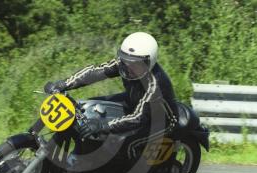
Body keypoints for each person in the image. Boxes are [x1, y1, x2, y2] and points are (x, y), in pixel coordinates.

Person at [44, 32, 178, 139]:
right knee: (88, 108)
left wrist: (102, 125)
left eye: (136, 64)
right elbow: (95, 72)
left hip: (159, 121)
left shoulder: (155, 84)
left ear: (150, 62)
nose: (130, 67)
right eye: (127, 61)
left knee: (126, 145)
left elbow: (139, 117)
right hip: (133, 101)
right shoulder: (125, 63)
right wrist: (64, 84)